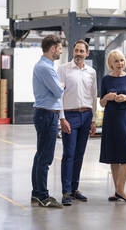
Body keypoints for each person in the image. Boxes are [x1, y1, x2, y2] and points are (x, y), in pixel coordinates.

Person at [57, 40, 97, 206]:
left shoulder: (91, 72)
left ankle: (75, 189)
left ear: (87, 53)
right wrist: (62, 117)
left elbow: (94, 96)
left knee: (79, 154)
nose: (79, 53)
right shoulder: (63, 69)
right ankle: (66, 191)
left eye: (82, 51)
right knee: (69, 154)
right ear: (73, 51)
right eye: (76, 50)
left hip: (86, 115)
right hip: (70, 115)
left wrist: (94, 120)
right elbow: (58, 95)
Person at [99, 50, 126, 203]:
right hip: (111, 119)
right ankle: (118, 191)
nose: (120, 64)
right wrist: (107, 98)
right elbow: (101, 103)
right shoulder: (106, 80)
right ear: (110, 64)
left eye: (122, 60)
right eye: (116, 61)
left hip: (125, 119)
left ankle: (120, 189)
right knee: (114, 155)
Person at [31, 35, 65, 208]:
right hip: (47, 115)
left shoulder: (44, 66)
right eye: (59, 48)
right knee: (45, 157)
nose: (60, 51)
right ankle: (43, 196)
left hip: (45, 114)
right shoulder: (46, 68)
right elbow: (59, 92)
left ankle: (37, 193)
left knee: (40, 155)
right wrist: (62, 85)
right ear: (52, 49)